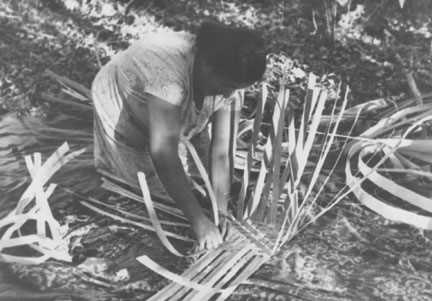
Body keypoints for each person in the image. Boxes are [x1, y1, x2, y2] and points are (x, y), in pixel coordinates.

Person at [91, 21, 266, 250]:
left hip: (174, 99)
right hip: (123, 99)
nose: (229, 94)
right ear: (205, 66)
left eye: (237, 87)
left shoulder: (229, 75)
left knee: (198, 182)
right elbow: (163, 153)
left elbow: (222, 150)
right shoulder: (168, 77)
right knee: (149, 195)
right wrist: (199, 222)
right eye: (227, 85)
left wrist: (219, 211)